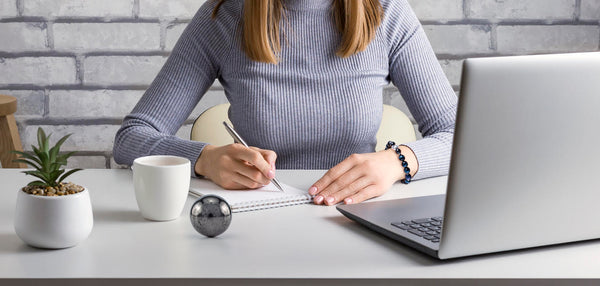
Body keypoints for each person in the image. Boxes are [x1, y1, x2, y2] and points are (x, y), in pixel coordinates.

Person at [113, 0, 457, 206]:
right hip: (258, 224)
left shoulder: (387, 13)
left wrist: (398, 162)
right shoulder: (224, 17)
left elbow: (461, 134)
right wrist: (204, 159)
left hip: (358, 219)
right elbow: (131, 138)